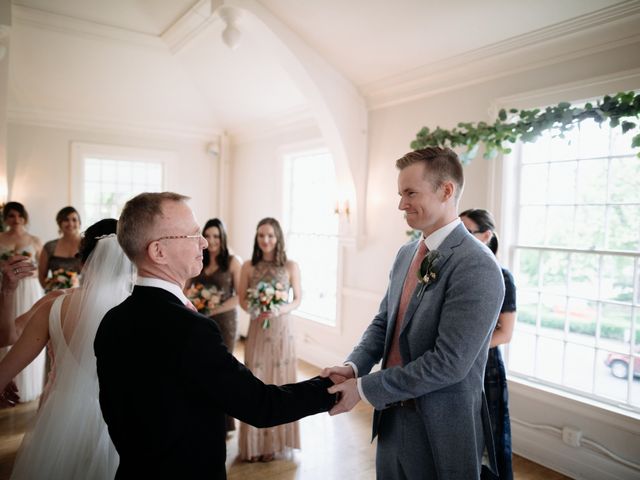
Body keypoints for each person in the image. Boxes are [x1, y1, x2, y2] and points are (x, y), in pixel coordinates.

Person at [94, 192, 335, 479]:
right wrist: (330, 388)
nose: (205, 242)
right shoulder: (191, 329)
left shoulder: (111, 321)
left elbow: (116, 415)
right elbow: (261, 406)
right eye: (192, 235)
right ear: (158, 252)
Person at [322, 147, 505, 479]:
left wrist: (364, 389)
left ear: (446, 191)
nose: (401, 204)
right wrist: (353, 366)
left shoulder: (477, 265)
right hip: (392, 417)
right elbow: (384, 323)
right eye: (400, 194)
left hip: (440, 428)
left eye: (410, 193)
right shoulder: (407, 254)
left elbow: (448, 363)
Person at [0, 218, 130, 479]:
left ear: (82, 260)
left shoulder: (54, 304)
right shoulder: (146, 312)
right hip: (125, 422)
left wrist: (8, 291)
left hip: (59, 421)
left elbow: (6, 340)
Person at [237, 217, 302, 462]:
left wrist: (279, 309)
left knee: (281, 383)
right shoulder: (248, 267)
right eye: (261, 235)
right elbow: (242, 298)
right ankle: (255, 446)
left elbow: (297, 299)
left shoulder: (290, 266)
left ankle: (275, 445)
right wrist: (254, 307)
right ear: (256, 238)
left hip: (282, 329)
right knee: (256, 381)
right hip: (258, 328)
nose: (266, 240)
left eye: (270, 236)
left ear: (278, 238)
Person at [460, 208, 516, 480]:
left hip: (486, 368)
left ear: (486, 236)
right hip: (455, 365)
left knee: (489, 440)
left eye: (466, 232)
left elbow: (505, 333)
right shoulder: (457, 272)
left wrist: (467, 349)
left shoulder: (502, 276)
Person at [185, 218, 242, 435]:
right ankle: (202, 416)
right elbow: (186, 286)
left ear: (223, 237)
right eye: (207, 236)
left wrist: (212, 310)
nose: (211, 240)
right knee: (199, 366)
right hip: (199, 320)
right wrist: (194, 302)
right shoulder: (198, 258)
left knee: (223, 369)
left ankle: (226, 423)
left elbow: (238, 297)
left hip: (225, 322)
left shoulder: (233, 262)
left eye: (216, 236)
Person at [0, 201, 45, 402]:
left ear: (24, 217)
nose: (16, 219)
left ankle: (28, 388)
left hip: (30, 288)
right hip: (7, 288)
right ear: (6, 218)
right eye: (11, 216)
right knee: (5, 332)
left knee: (30, 332)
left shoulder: (35, 240)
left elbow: (42, 269)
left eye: (19, 215)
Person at [38, 206, 82, 291]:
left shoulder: (87, 245)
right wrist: (50, 290)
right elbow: (41, 275)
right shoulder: (49, 246)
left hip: (83, 295)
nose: (70, 223)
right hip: (56, 295)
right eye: (66, 220)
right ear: (59, 223)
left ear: (79, 223)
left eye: (74, 220)